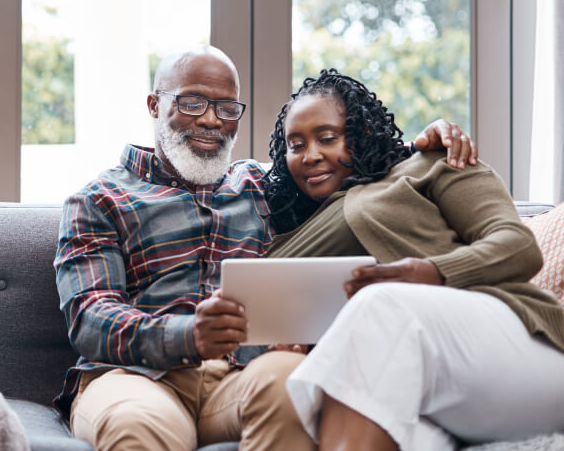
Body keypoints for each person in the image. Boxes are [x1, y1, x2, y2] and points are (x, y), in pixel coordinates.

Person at [54, 46, 477, 451]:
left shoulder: (263, 185)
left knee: (294, 383)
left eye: (226, 108)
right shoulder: (99, 199)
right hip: (137, 377)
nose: (211, 121)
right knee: (137, 425)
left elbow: (351, 165)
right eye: (192, 103)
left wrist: (426, 145)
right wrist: (188, 336)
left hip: (245, 374)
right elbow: (90, 318)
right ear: (154, 105)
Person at [263, 69, 564, 450]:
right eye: (295, 145)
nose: (311, 155)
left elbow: (518, 246)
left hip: (520, 347)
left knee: (379, 305)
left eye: (327, 138)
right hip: (413, 382)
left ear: (362, 132)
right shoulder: (290, 226)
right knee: (323, 394)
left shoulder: (431, 163)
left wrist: (434, 272)